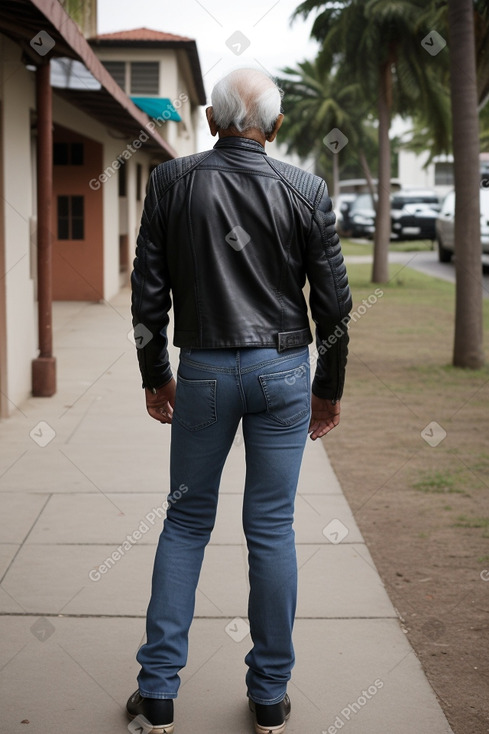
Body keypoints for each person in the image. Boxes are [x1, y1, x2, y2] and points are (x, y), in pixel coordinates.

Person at [127, 67, 352, 734]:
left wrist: (153, 373)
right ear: (274, 126)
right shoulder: (305, 188)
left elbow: (148, 294)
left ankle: (159, 692)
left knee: (186, 524)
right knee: (272, 530)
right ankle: (268, 697)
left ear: (210, 120)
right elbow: (333, 305)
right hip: (283, 374)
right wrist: (327, 387)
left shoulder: (171, 181)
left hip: (200, 371)